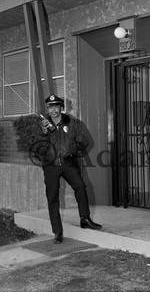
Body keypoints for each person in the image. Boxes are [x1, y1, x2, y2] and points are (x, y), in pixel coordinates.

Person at [37, 94, 102, 244]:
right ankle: (57, 232)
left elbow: (85, 141)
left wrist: (72, 153)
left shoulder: (72, 123)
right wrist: (44, 133)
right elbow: (35, 144)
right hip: (51, 165)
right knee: (52, 197)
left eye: (56, 106)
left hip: (68, 164)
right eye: (50, 107)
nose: (53, 110)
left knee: (80, 186)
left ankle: (85, 219)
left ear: (61, 107)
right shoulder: (42, 124)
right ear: (48, 109)